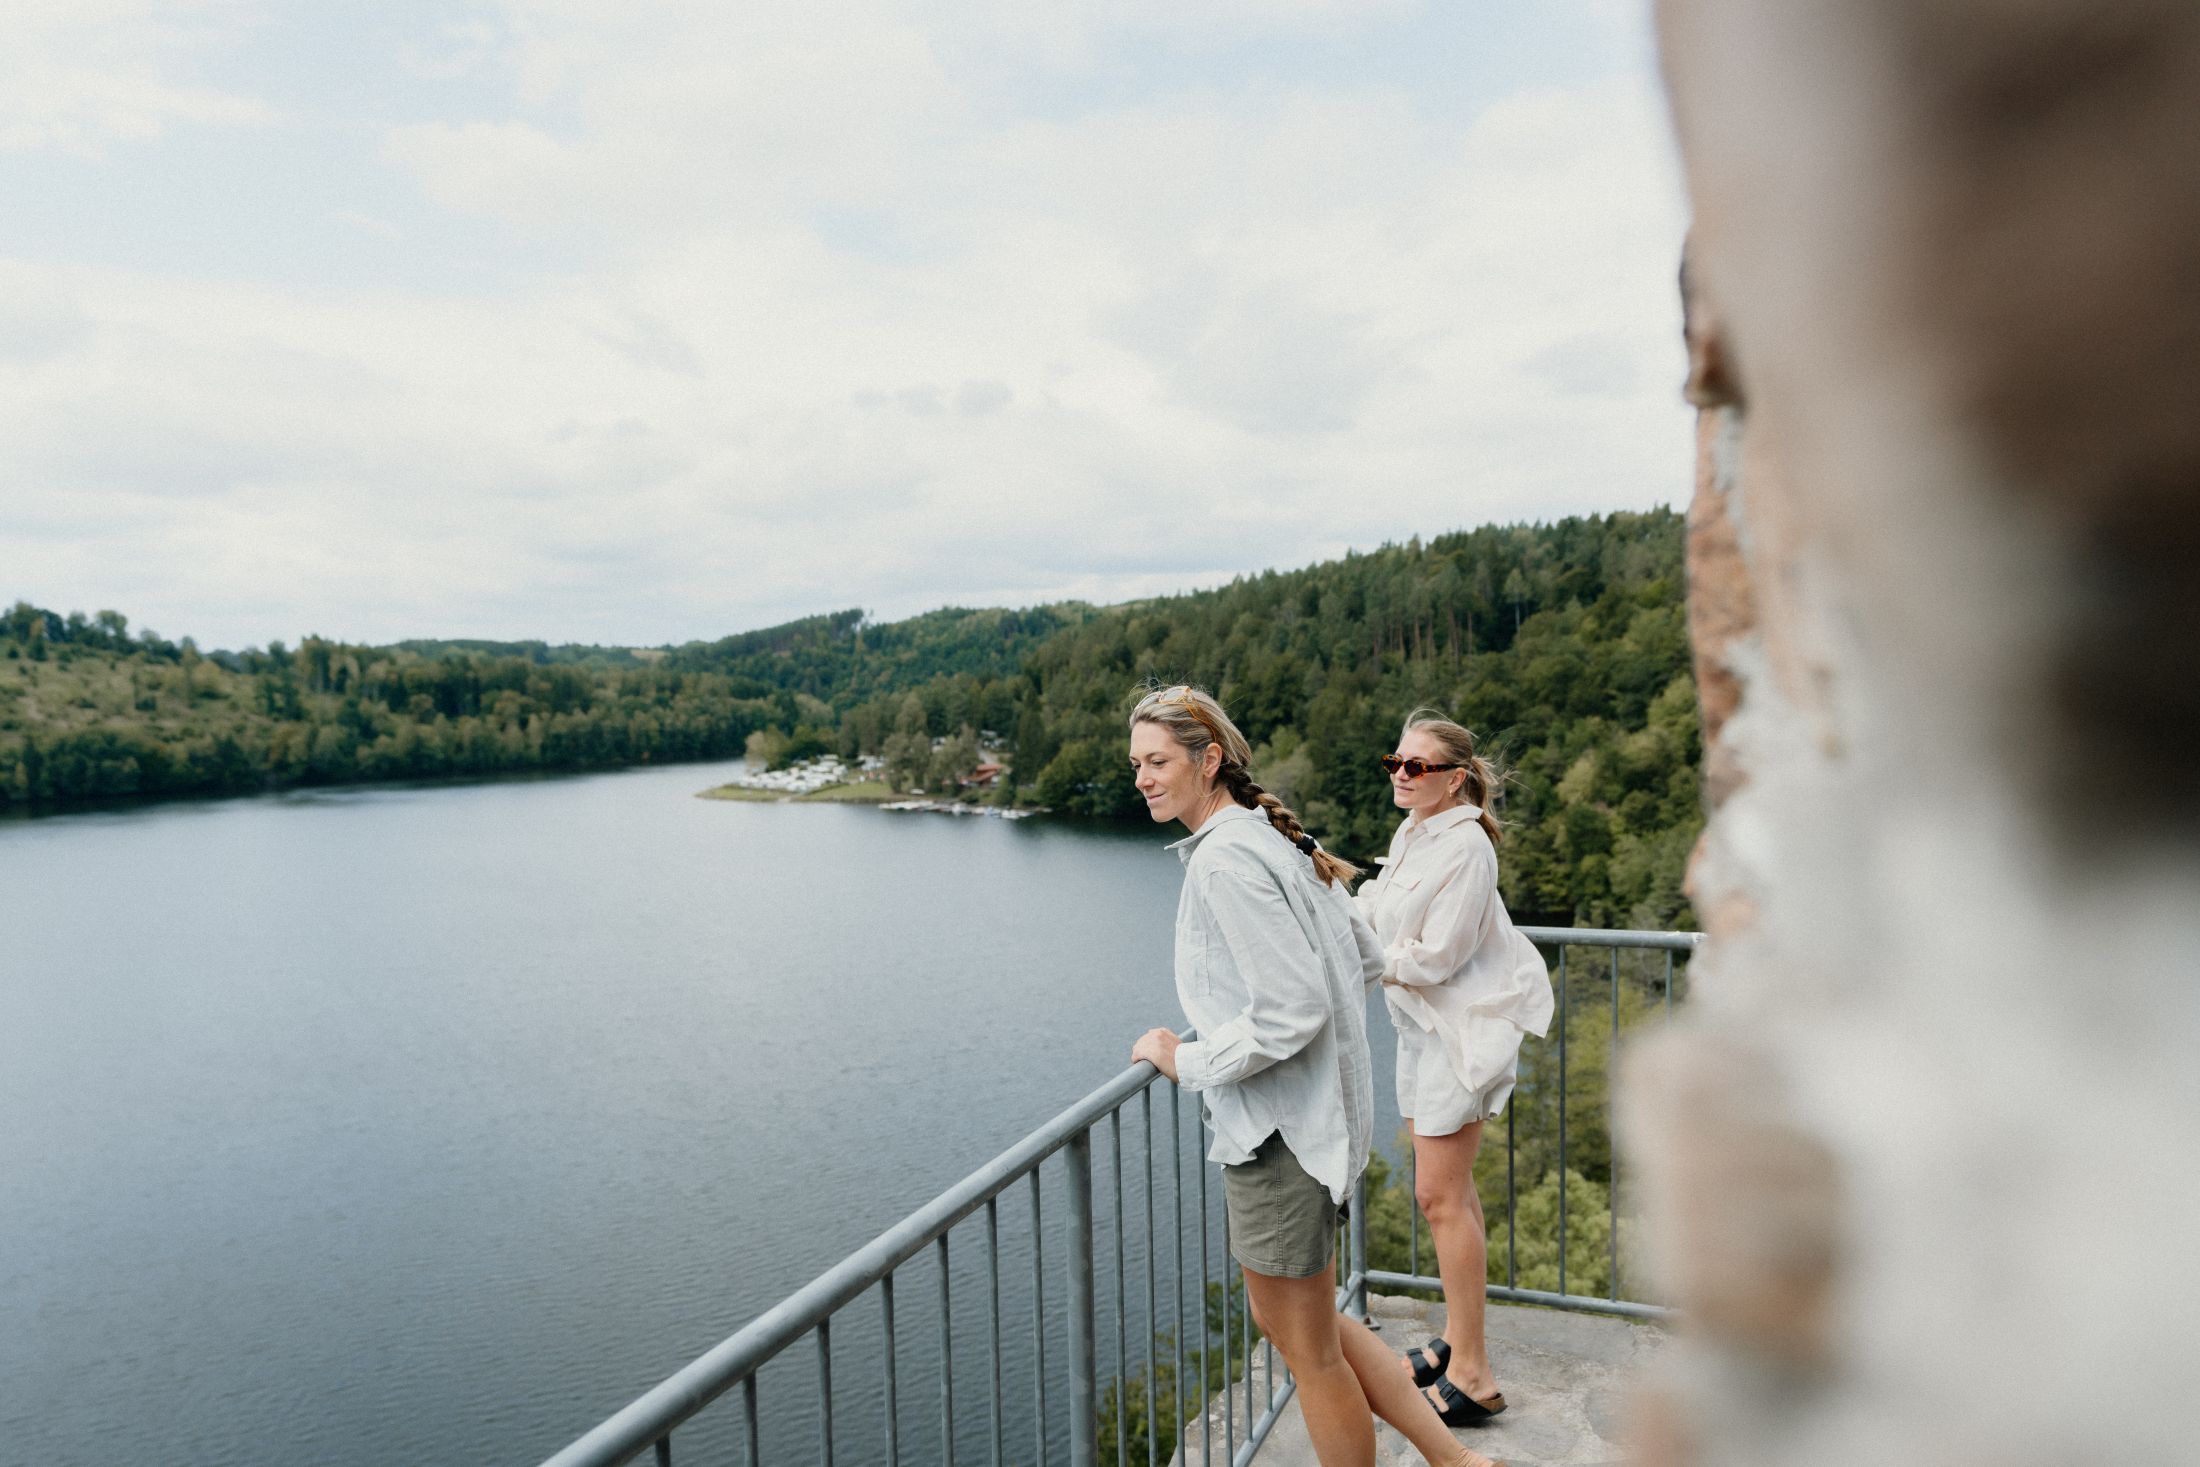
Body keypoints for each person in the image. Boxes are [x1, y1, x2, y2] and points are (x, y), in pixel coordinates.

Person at [1124, 685, 1501, 1467]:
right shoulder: (1265, 834)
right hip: (1314, 1123)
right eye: (1136, 763)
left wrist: (1182, 1057)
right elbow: (1362, 955)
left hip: (1278, 1136)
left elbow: (1290, 1010)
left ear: (1210, 759)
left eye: (1158, 761)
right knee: (1311, 1327)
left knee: (1310, 1352)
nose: (1143, 778)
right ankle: (1457, 1460)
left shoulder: (1227, 859)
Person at [1355, 710, 1552, 1427]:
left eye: (1418, 766)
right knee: (1449, 1192)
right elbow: (1378, 902)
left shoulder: (1467, 848)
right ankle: (1457, 1339)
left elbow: (1439, 956)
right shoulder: (1414, 831)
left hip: (1457, 1034)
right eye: (1396, 761)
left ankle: (1475, 1372)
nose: (1401, 775)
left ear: (1455, 778)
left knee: (1439, 1197)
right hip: (1419, 1029)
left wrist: (1366, 958)